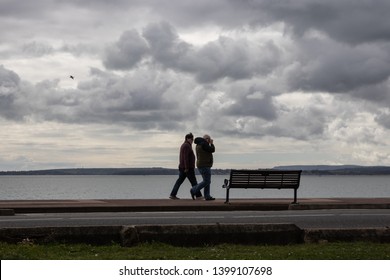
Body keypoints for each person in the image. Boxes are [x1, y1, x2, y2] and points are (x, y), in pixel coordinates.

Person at [169, 133, 203, 200]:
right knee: (193, 182)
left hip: (183, 167)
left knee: (179, 181)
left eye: (192, 139)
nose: (192, 141)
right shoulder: (186, 146)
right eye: (191, 139)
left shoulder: (185, 145)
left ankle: (173, 194)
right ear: (187, 138)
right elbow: (185, 157)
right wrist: (187, 167)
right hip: (188, 168)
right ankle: (198, 196)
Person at [190, 134, 215, 201]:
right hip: (204, 165)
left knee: (207, 181)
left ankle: (207, 196)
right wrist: (211, 144)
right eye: (207, 138)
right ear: (204, 139)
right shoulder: (203, 144)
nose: (208, 140)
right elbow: (212, 150)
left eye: (209, 139)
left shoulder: (199, 144)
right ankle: (193, 190)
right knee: (207, 181)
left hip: (202, 165)